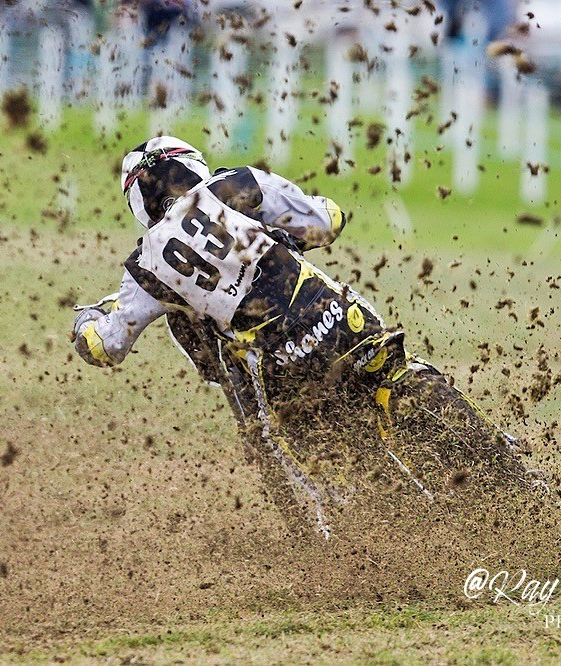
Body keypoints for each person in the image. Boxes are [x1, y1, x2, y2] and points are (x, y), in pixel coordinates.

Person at [72, 137, 536, 535]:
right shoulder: (235, 184)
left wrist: (84, 323)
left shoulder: (144, 269)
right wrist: (284, 235)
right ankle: (508, 469)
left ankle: (409, 542)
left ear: (140, 205)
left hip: (281, 367)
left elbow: (105, 346)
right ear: (191, 164)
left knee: (333, 461)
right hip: (335, 319)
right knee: (401, 375)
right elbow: (326, 222)